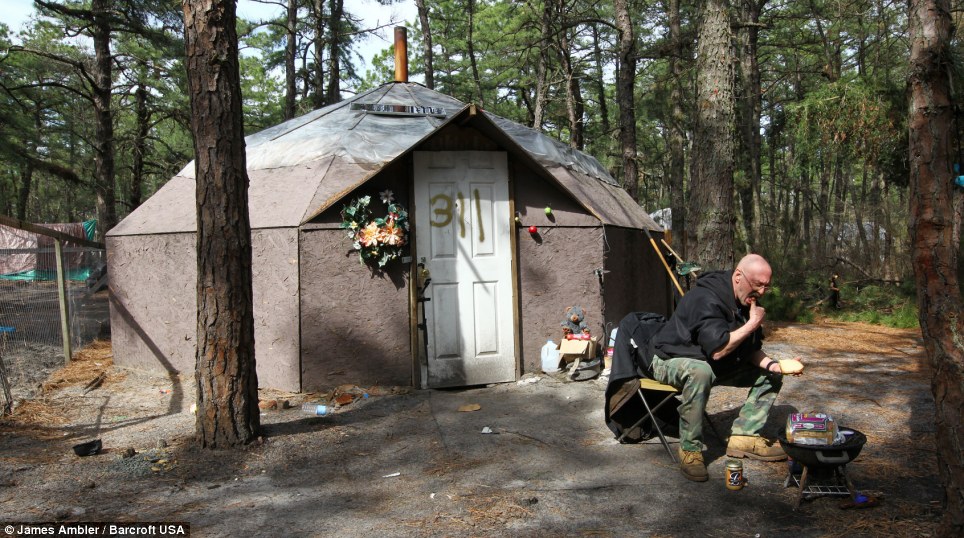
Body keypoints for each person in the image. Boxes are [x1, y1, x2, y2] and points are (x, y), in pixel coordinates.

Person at [649, 254, 804, 482]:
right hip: (669, 358)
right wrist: (752, 324)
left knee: (770, 373)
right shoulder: (706, 298)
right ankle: (690, 450)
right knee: (699, 371)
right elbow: (719, 350)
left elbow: (750, 350)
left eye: (766, 287)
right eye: (757, 285)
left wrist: (775, 366)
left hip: (709, 361)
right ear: (739, 277)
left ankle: (744, 437)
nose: (761, 293)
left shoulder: (745, 300)